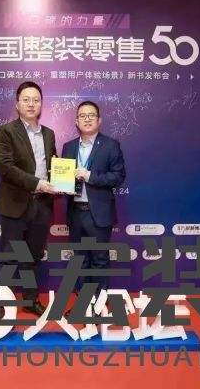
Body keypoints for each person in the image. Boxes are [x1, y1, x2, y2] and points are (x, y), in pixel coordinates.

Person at [0, 81, 57, 316]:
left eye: (36, 100)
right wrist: (37, 183)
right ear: (17, 104)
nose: (31, 104)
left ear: (41, 104)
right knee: (10, 258)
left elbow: (53, 164)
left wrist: (62, 181)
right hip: (15, 203)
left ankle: (30, 301)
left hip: (42, 204)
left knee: (33, 257)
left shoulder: (49, 134)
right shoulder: (6, 131)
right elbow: (5, 167)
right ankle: (0, 305)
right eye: (26, 99)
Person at [61, 100, 126, 297]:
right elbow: (64, 178)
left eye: (91, 115)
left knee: (99, 259)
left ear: (99, 120)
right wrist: (61, 185)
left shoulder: (111, 145)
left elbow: (118, 176)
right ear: (76, 121)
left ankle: (98, 303)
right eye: (82, 115)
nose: (87, 119)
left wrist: (89, 176)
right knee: (79, 260)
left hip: (98, 213)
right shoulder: (68, 147)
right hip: (76, 213)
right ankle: (84, 304)